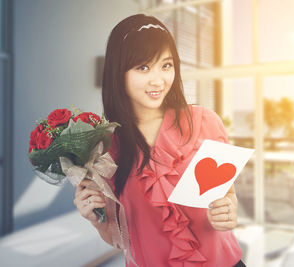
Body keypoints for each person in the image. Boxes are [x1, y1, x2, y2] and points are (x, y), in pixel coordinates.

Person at [73, 14, 246, 267]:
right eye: (143, 67)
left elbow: (227, 194)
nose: (158, 80)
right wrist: (94, 216)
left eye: (166, 65)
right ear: (118, 73)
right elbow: (119, 237)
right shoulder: (106, 148)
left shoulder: (205, 122)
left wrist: (228, 212)